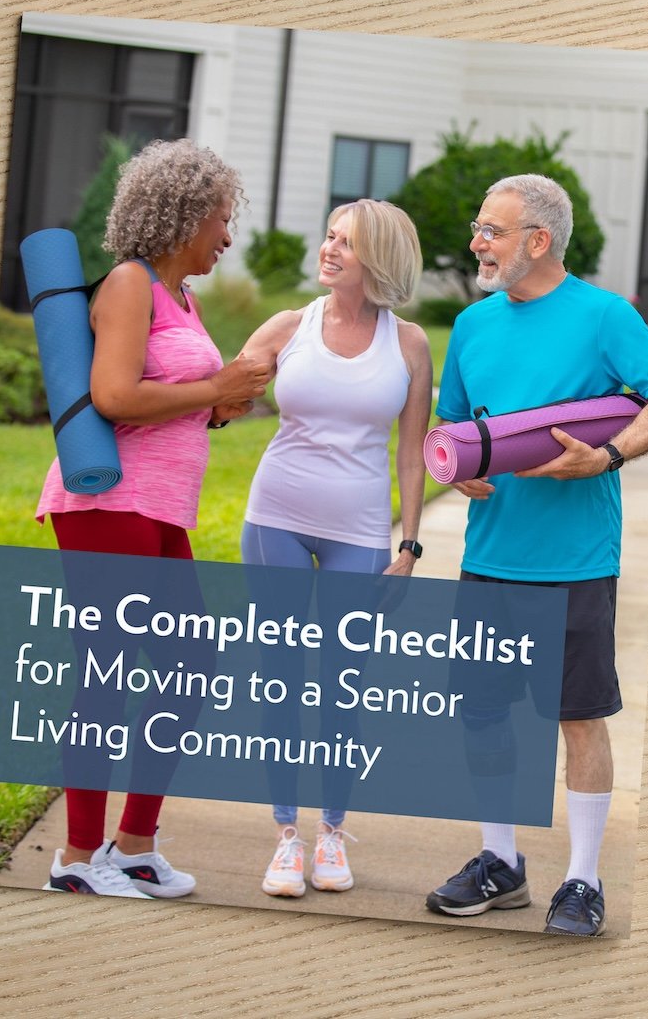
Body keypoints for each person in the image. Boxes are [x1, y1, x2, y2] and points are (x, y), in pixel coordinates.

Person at [424, 174, 648, 935]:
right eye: (477, 228)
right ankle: (501, 863)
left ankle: (584, 880)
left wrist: (613, 455)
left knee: (580, 719)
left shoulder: (604, 316)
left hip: (574, 561)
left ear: (538, 239)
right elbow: (455, 424)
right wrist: (460, 471)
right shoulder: (472, 325)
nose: (476, 243)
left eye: (490, 230)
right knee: (485, 716)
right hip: (492, 556)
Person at [35, 139, 270, 898]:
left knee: (187, 666)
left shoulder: (184, 299)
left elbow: (173, 407)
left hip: (161, 509)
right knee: (106, 676)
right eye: (222, 220)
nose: (227, 238)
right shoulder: (131, 285)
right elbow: (113, 397)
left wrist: (224, 405)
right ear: (185, 215)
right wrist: (215, 390)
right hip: (107, 502)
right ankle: (75, 862)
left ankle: (133, 847)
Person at [237, 199, 433, 898]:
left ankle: (333, 831)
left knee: (345, 683)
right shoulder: (291, 326)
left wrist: (408, 545)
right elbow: (221, 393)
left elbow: (412, 452)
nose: (328, 250)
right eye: (328, 236)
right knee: (283, 676)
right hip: (276, 517)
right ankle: (287, 836)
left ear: (374, 258)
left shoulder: (408, 344)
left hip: (358, 531)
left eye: (344, 243)